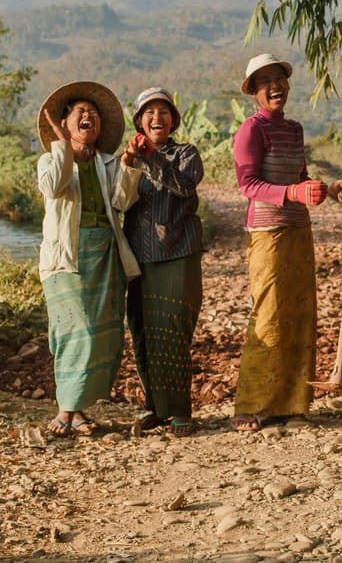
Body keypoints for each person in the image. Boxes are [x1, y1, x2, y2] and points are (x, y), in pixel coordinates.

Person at [231, 53, 341, 432]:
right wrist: (294, 191)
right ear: (254, 92)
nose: (275, 86)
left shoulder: (294, 129)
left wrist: (323, 190)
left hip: (298, 229)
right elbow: (248, 185)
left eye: (279, 78)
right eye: (265, 82)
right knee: (269, 313)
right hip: (266, 232)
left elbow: (300, 176)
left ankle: (295, 404)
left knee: (299, 312)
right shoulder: (251, 129)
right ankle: (252, 404)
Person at [36, 81, 145, 437]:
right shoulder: (49, 160)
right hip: (67, 258)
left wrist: (128, 166)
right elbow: (53, 187)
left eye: (93, 114)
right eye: (80, 113)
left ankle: (78, 410)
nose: (89, 117)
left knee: (103, 334)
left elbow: (122, 203)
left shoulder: (108, 162)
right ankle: (66, 408)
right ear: (65, 124)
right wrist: (62, 147)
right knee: (75, 330)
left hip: (106, 255)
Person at [122, 87, 205, 436]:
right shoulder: (127, 157)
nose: (157, 118)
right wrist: (129, 164)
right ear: (139, 121)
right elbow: (120, 200)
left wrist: (151, 157)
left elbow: (183, 187)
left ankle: (180, 410)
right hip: (139, 255)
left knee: (173, 330)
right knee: (142, 331)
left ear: (173, 120)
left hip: (177, 253)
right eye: (149, 112)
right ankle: (155, 407)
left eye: (164, 112)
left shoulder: (186, 153)